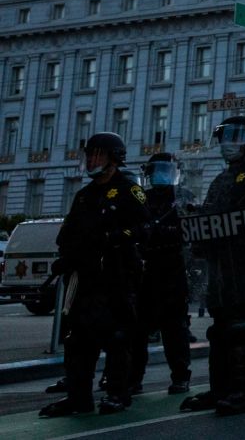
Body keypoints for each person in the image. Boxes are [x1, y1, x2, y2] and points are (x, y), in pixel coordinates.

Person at [180, 116, 245, 416]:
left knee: (241, 327)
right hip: (220, 268)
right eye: (225, 136)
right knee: (220, 328)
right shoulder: (220, 179)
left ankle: (241, 391)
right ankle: (219, 390)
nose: (229, 143)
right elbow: (211, 215)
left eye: (236, 136)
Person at [39, 133, 148, 418]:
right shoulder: (84, 195)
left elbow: (144, 227)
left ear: (114, 158)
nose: (92, 160)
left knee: (117, 337)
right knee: (78, 340)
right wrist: (66, 257)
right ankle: (78, 397)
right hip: (85, 278)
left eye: (98, 155)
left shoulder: (129, 190)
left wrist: (116, 238)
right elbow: (68, 233)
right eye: (89, 155)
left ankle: (117, 394)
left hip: (118, 275)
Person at [129, 152, 193, 395]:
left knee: (174, 329)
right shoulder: (141, 198)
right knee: (138, 330)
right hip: (146, 270)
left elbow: (191, 231)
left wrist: (166, 233)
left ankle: (180, 376)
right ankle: (133, 378)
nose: (162, 175)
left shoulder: (183, 198)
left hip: (173, 269)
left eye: (167, 170)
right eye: (158, 170)